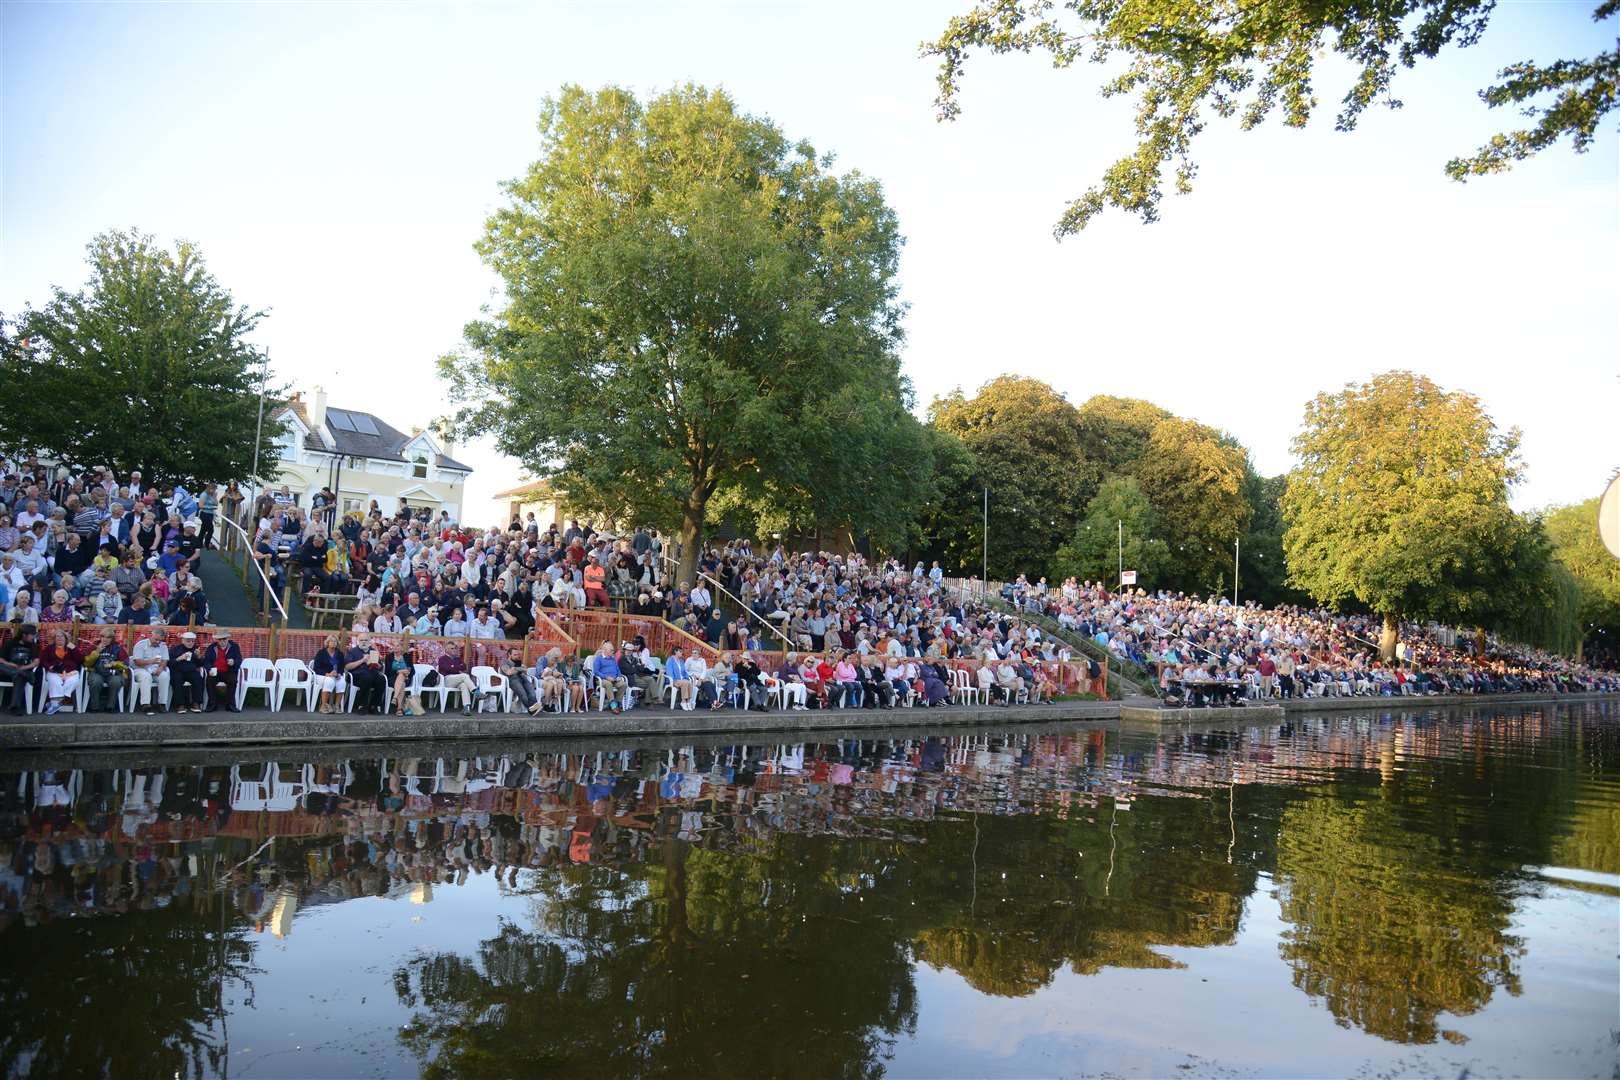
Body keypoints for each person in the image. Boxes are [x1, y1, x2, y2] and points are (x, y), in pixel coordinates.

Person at [83, 626, 128, 713]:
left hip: (113, 672)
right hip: (96, 672)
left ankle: (110, 706)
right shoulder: (93, 647)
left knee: (116, 681)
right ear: (100, 637)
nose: (105, 639)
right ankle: (94, 706)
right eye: (103, 637)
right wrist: (96, 652)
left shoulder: (117, 648)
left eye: (108, 637)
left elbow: (126, 663)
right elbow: (86, 663)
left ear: (112, 639)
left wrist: (114, 663)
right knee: (96, 681)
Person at [41, 629, 84, 715]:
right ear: (54, 638)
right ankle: (60, 702)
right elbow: (43, 660)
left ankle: (55, 704)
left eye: (62, 636)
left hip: (71, 671)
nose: (60, 638)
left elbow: (80, 660)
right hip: (55, 671)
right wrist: (49, 667)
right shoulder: (49, 648)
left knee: (73, 681)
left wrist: (74, 649)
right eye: (57, 636)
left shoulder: (71, 647)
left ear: (65, 638)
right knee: (54, 681)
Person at [0, 624, 41, 714]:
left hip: (23, 669)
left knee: (19, 677)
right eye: (32, 634)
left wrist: (24, 667)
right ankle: (21, 673)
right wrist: (9, 664)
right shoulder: (10, 643)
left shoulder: (33, 646)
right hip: (7, 669)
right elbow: (1, 659)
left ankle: (14, 707)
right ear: (24, 635)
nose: (34, 637)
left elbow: (36, 662)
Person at [201, 629, 244, 712]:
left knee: (232, 680)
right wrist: (209, 669)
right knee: (209, 680)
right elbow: (207, 661)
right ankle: (212, 704)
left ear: (228, 638)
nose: (222, 641)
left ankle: (230, 705)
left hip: (229, 671)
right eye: (220, 639)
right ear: (217, 640)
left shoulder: (234, 646)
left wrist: (234, 662)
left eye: (224, 639)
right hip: (215, 671)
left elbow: (239, 660)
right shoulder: (211, 647)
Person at [345, 632, 388, 714]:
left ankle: (374, 705)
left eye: (365, 640)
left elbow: (379, 667)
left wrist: (378, 665)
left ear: (369, 641)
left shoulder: (373, 651)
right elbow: (347, 667)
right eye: (361, 640)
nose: (363, 642)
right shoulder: (352, 651)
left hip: (372, 673)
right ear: (358, 641)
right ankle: (362, 705)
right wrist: (362, 660)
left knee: (381, 679)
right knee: (366, 677)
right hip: (356, 675)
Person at [130, 625, 169, 715]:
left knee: (164, 676)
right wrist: (152, 661)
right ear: (152, 635)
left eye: (160, 640)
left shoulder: (163, 646)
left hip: (155, 669)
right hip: (140, 669)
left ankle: (162, 703)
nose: (158, 642)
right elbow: (137, 662)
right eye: (156, 639)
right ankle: (146, 704)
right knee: (146, 676)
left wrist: (161, 668)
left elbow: (165, 660)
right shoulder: (141, 644)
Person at [168, 630, 206, 713]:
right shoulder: (175, 649)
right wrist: (179, 658)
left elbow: (201, 664)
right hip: (178, 670)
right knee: (177, 680)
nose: (190, 643)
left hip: (191, 671)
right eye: (188, 641)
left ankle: (196, 703)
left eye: (192, 641)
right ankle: (180, 705)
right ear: (183, 640)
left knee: (198, 679)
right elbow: (169, 663)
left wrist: (199, 656)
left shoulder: (195, 650)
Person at [311, 634, 349, 714]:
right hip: (321, 675)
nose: (333, 643)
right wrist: (327, 674)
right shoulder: (321, 653)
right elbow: (316, 668)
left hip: (335, 675)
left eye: (335, 641)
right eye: (331, 641)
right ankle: (323, 706)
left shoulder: (340, 654)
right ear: (327, 643)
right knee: (329, 681)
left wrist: (339, 673)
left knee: (342, 682)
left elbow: (342, 667)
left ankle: (336, 706)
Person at [435, 647, 477, 715]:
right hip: (447, 680)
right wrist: (457, 667)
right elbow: (447, 669)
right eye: (452, 648)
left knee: (464, 685)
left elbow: (464, 667)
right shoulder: (442, 659)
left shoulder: (458, 659)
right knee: (464, 675)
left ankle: (466, 708)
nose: (454, 650)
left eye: (455, 648)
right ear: (446, 650)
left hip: (457, 679)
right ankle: (475, 692)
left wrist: (453, 666)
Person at [591, 642, 629, 712]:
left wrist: (619, 676)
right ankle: (613, 705)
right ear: (605, 650)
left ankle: (618, 703)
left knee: (623, 685)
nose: (613, 651)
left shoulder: (613, 658)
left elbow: (617, 669)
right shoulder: (598, 659)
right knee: (608, 684)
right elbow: (596, 672)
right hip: (603, 679)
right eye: (611, 650)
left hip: (614, 679)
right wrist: (606, 677)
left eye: (613, 650)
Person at [502, 646, 540, 714]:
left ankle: (534, 707)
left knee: (532, 692)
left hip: (523, 678)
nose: (517, 656)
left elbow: (526, 670)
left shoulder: (518, 662)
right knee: (523, 694)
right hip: (513, 680)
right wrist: (519, 669)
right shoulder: (505, 662)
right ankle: (531, 709)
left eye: (518, 654)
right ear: (509, 655)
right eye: (515, 655)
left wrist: (516, 669)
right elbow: (509, 672)